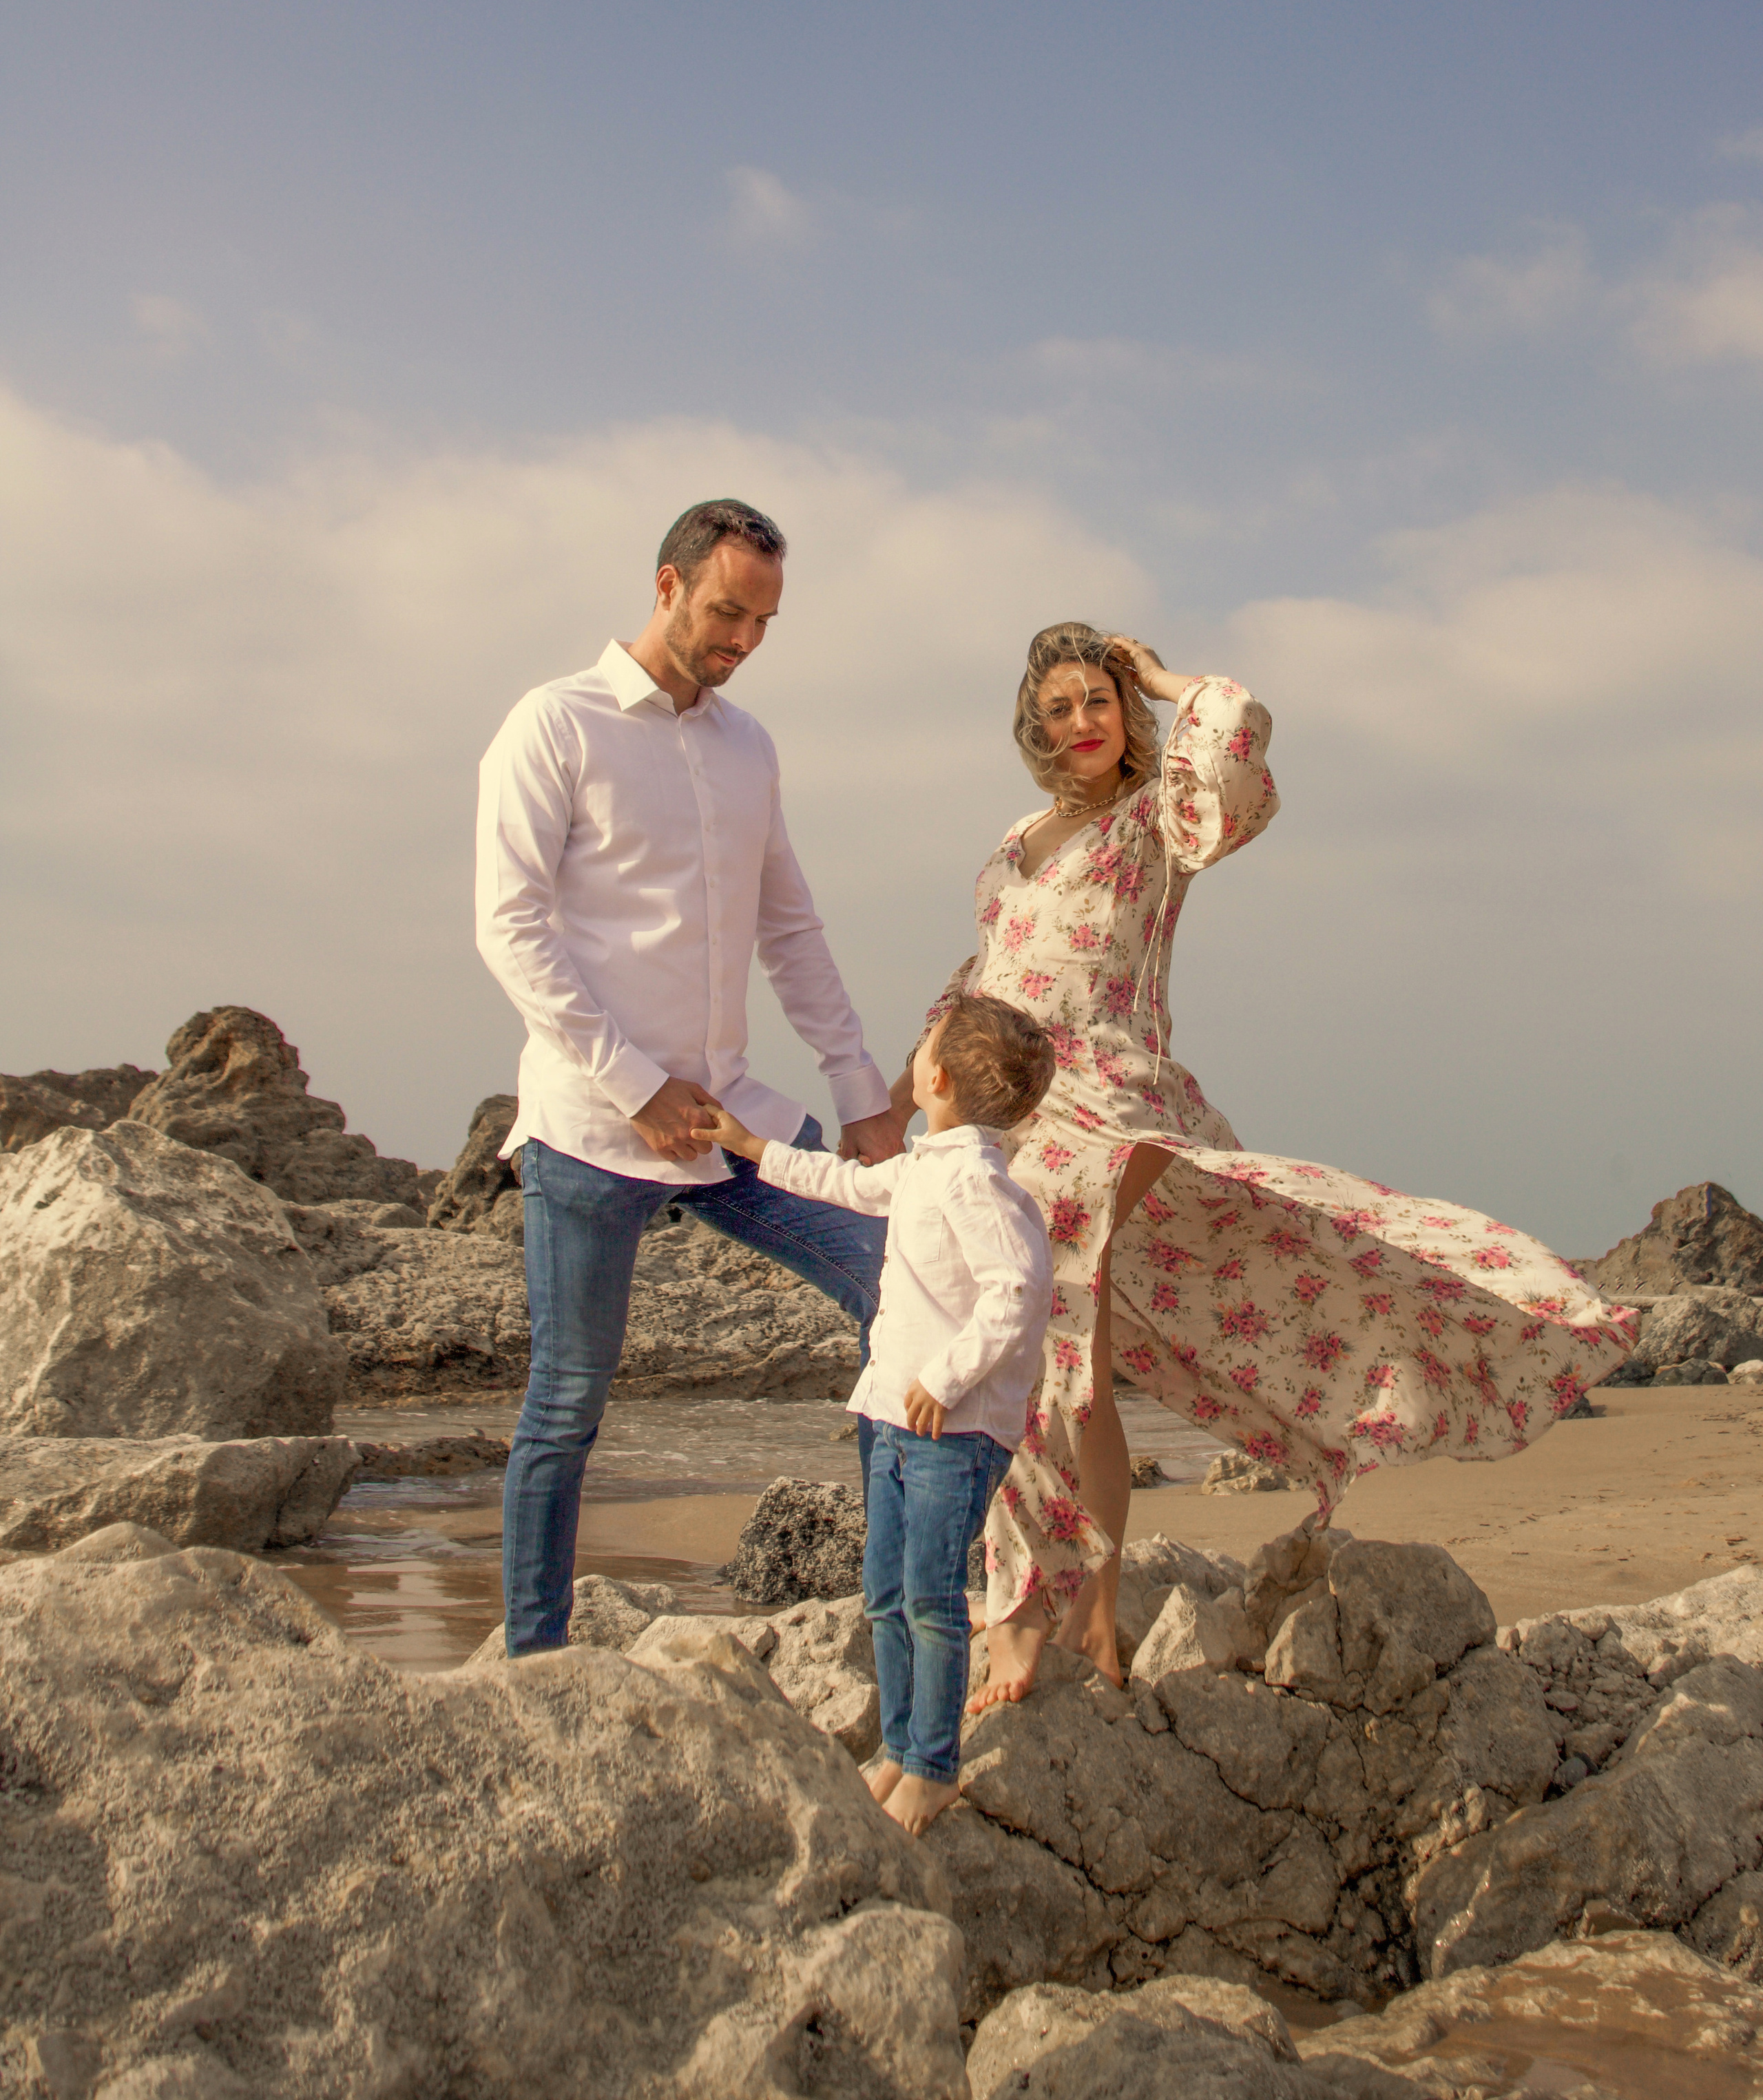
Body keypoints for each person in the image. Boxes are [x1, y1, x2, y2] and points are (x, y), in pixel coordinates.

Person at [888, 622, 1637, 1711]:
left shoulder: (1160, 813)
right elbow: (990, 969)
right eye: (1059, 707)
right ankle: (1093, 1607)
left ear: (1127, 710)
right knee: (1068, 1353)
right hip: (1005, 1102)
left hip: (1105, 1089)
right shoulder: (1020, 835)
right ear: (1031, 725)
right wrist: (911, 1086)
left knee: (1044, 1333)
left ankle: (1023, 1614)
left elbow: (1233, 735)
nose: (1082, 721)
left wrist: (1162, 676)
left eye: (1100, 699)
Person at [476, 498, 904, 1656]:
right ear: (666, 586)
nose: (745, 641)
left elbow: (790, 927)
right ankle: (536, 1661)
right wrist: (634, 1085)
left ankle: (897, 1610)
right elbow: (511, 928)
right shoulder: (553, 724)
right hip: (590, 1128)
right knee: (568, 1400)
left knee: (901, 1290)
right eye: (727, 613)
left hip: (730, 1123)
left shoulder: (748, 746)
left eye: (764, 622)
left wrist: (861, 1094)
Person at [691, 992, 1055, 1834]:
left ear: (937, 1078)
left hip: (952, 1432)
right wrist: (752, 1147)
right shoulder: (927, 1163)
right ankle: (898, 1744)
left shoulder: (977, 1179)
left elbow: (1018, 1288)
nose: (912, 1055)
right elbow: (845, 1184)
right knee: (886, 1592)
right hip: (895, 1417)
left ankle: (933, 1765)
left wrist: (948, 1376)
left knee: (930, 1597)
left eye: (922, 1046)